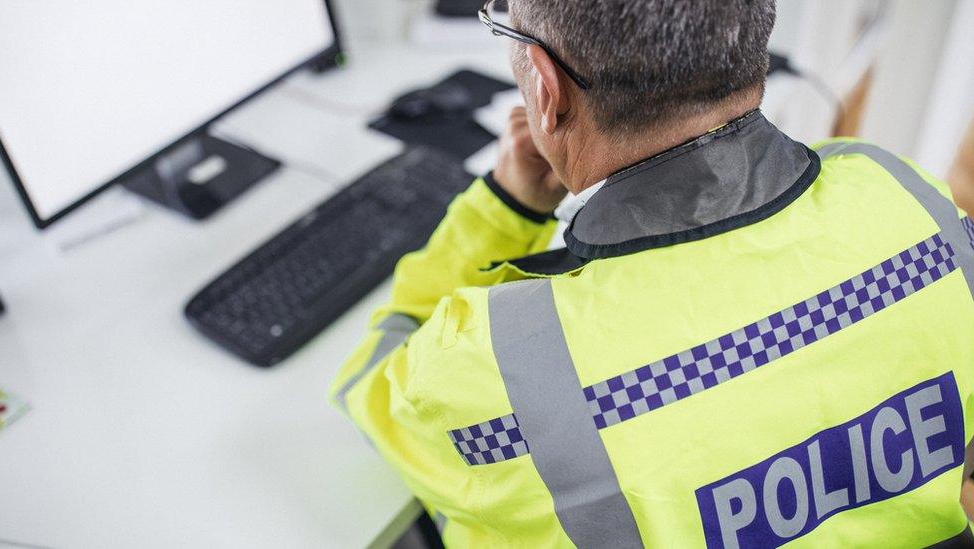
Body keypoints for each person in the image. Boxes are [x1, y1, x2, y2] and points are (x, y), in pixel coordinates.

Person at [330, 0, 974, 546]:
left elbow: (374, 379)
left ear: (547, 93)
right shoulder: (906, 196)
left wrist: (505, 205)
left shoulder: (500, 369)